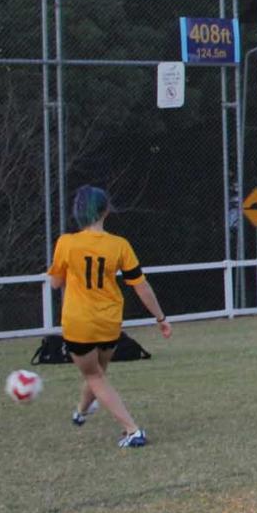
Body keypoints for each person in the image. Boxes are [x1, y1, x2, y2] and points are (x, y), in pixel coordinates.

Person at [46, 186, 171, 448]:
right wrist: (160, 318)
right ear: (106, 211)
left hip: (79, 321)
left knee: (94, 375)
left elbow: (55, 283)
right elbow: (141, 285)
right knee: (98, 371)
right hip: (110, 320)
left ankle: (132, 430)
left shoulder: (66, 243)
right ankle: (81, 411)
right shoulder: (119, 245)